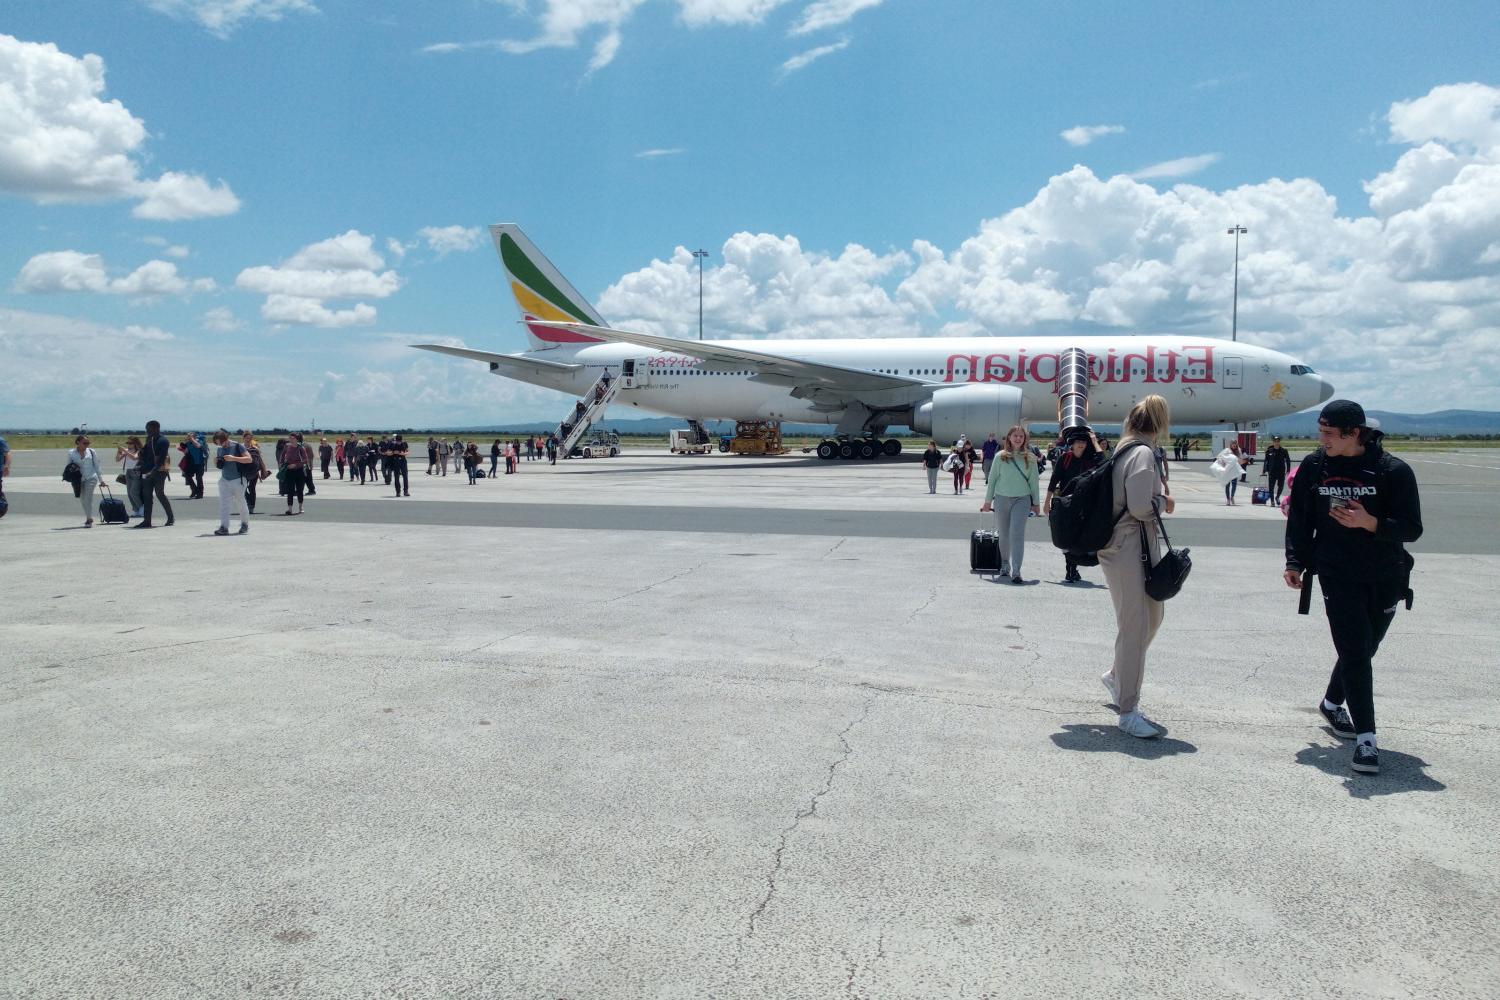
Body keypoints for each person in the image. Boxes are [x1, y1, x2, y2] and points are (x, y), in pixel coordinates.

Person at [1283, 400, 1422, 776]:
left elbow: (1412, 528)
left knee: (1365, 648)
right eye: (1320, 431)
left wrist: (1370, 523)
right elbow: (1300, 518)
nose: (1321, 439)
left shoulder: (1393, 471)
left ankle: (1331, 704)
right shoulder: (1315, 466)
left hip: (1386, 575)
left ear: (1354, 433)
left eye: (1329, 433)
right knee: (1355, 652)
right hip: (1335, 573)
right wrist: (1294, 560)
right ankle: (1366, 740)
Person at [1098, 395, 1175, 739]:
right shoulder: (1142, 453)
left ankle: (1117, 675)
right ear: (1159, 424)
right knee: (1136, 624)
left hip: (1134, 546)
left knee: (1151, 617)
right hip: (1128, 546)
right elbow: (1142, 507)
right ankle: (1128, 709)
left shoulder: (1126, 449)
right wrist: (1165, 501)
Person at [979, 425, 1041, 583]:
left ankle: (1017, 570)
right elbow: (992, 480)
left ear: (1025, 439)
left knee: (1017, 533)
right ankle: (1005, 564)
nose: (1018, 439)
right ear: (1009, 438)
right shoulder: (1000, 457)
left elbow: (1034, 482)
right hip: (1001, 499)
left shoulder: (1030, 458)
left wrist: (1036, 503)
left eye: (1021, 436)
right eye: (1015, 436)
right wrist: (987, 502)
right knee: (1004, 534)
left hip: (1022, 499)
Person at [1044, 427, 1102, 582]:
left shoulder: (1090, 459)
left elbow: (1103, 461)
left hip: (1085, 504)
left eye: (1084, 441)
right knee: (1067, 536)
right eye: (1078, 442)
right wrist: (1047, 501)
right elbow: (1054, 480)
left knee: (1078, 536)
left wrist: (1095, 442)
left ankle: (1072, 569)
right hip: (1066, 503)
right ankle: (1071, 569)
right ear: (1072, 444)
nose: (1081, 444)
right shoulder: (1065, 458)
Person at [133, 420, 174, 528]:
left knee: (159, 493)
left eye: (149, 429)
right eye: (146, 429)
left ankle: (170, 517)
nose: (147, 431)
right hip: (147, 471)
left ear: (156, 428)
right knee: (147, 496)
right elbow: (145, 454)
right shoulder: (149, 440)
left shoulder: (163, 441)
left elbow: (161, 458)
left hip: (159, 472)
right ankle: (147, 521)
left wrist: (153, 471)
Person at [211, 429, 252, 535]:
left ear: (226, 439)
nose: (220, 445)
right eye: (218, 444)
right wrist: (216, 462)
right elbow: (220, 465)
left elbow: (249, 459)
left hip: (238, 480)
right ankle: (224, 527)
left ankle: (245, 524)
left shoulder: (238, 446)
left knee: (240, 503)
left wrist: (234, 458)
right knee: (224, 504)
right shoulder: (220, 449)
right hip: (224, 480)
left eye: (221, 443)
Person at [65, 435, 104, 527]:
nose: (87, 445)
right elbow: (68, 466)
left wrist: (101, 480)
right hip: (78, 479)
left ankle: (89, 519)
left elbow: (97, 466)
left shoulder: (91, 451)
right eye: (84, 443)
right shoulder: (71, 453)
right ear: (78, 442)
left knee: (88, 497)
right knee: (82, 498)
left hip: (91, 477)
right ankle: (89, 516)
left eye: (88, 443)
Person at [116, 436, 144, 517]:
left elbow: (134, 458)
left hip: (136, 472)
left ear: (135, 443)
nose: (128, 445)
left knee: (134, 492)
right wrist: (119, 452)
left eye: (130, 443)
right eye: (127, 443)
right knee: (129, 493)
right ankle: (136, 509)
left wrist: (125, 450)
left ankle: (142, 508)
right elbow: (117, 460)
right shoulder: (127, 451)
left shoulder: (139, 451)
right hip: (128, 472)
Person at [281, 433, 308, 514]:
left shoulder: (301, 448)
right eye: (290, 438)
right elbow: (282, 457)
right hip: (289, 471)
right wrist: (282, 464)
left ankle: (300, 506)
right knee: (290, 490)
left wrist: (295, 465)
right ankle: (290, 509)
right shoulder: (287, 447)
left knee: (300, 490)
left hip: (299, 471)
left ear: (297, 439)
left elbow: (305, 460)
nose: (291, 440)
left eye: (293, 438)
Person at [241, 432, 266, 514]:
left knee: (252, 488)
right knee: (242, 489)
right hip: (243, 472)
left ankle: (251, 506)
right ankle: (249, 501)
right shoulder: (240, 448)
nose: (248, 440)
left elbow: (260, 460)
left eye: (250, 438)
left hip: (254, 472)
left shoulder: (255, 449)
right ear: (243, 438)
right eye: (247, 438)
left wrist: (264, 470)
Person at [1263, 435, 1291, 507]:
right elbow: (1266, 461)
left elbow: (1288, 460)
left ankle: (1277, 497)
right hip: (1272, 471)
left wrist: (1288, 470)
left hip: (1281, 471)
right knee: (1271, 487)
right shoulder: (1269, 450)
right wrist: (1264, 470)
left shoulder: (1284, 451)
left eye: (1278, 441)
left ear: (1279, 442)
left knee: (1281, 486)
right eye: (1275, 441)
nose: (1276, 443)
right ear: (1273, 442)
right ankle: (1272, 501)